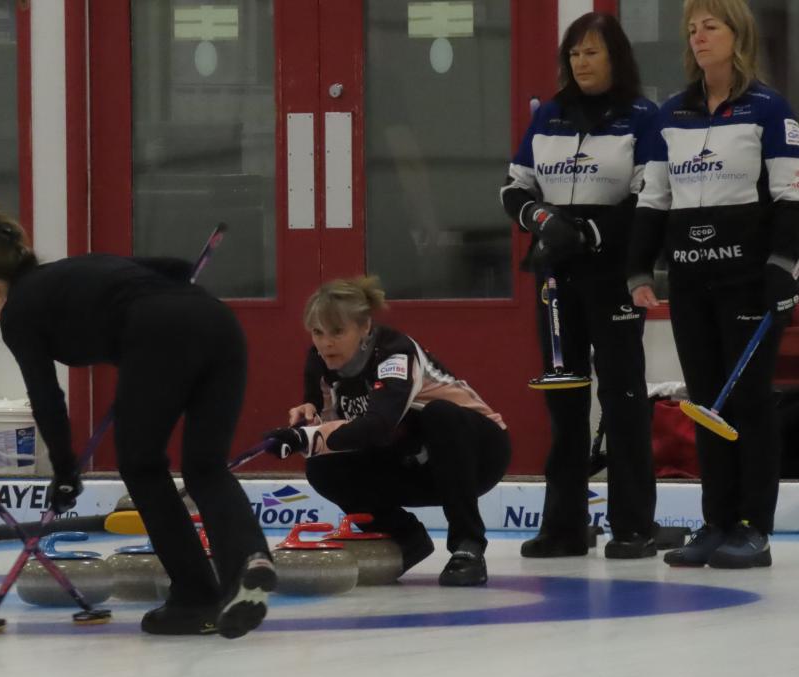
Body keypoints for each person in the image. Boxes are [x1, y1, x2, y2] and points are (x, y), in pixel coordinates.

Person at [0, 211, 274, 638]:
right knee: (206, 468)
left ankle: (195, 597)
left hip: (157, 333)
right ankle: (250, 558)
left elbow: (47, 398)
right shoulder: (75, 269)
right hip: (218, 324)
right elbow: (173, 267)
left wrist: (65, 471)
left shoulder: (19, 312)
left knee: (141, 466)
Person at [628, 0, 799, 568]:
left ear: (737, 34)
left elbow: (791, 195)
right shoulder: (671, 114)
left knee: (747, 402)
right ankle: (716, 521)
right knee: (705, 402)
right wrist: (638, 269)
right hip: (689, 280)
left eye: (711, 27)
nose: (699, 37)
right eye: (692, 29)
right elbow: (654, 198)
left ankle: (753, 527)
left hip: (749, 281)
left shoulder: (769, 109)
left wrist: (783, 265)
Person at [500, 12, 659, 559]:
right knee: (564, 398)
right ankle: (563, 526)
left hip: (612, 273)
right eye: (574, 53)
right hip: (554, 275)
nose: (581, 62)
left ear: (616, 57)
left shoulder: (642, 116)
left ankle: (633, 524)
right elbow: (514, 188)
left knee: (622, 396)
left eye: (592, 52)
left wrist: (591, 232)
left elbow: (649, 197)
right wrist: (540, 219)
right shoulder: (549, 115)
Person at [264, 276, 510, 586]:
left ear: (365, 327)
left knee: (441, 414)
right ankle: (405, 538)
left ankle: (468, 545)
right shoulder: (320, 360)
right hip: (411, 458)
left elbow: (379, 425)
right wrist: (306, 423)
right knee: (322, 466)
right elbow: (327, 421)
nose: (326, 343)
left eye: (337, 332)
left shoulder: (395, 353)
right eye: (317, 332)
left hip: (478, 455)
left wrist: (307, 439)